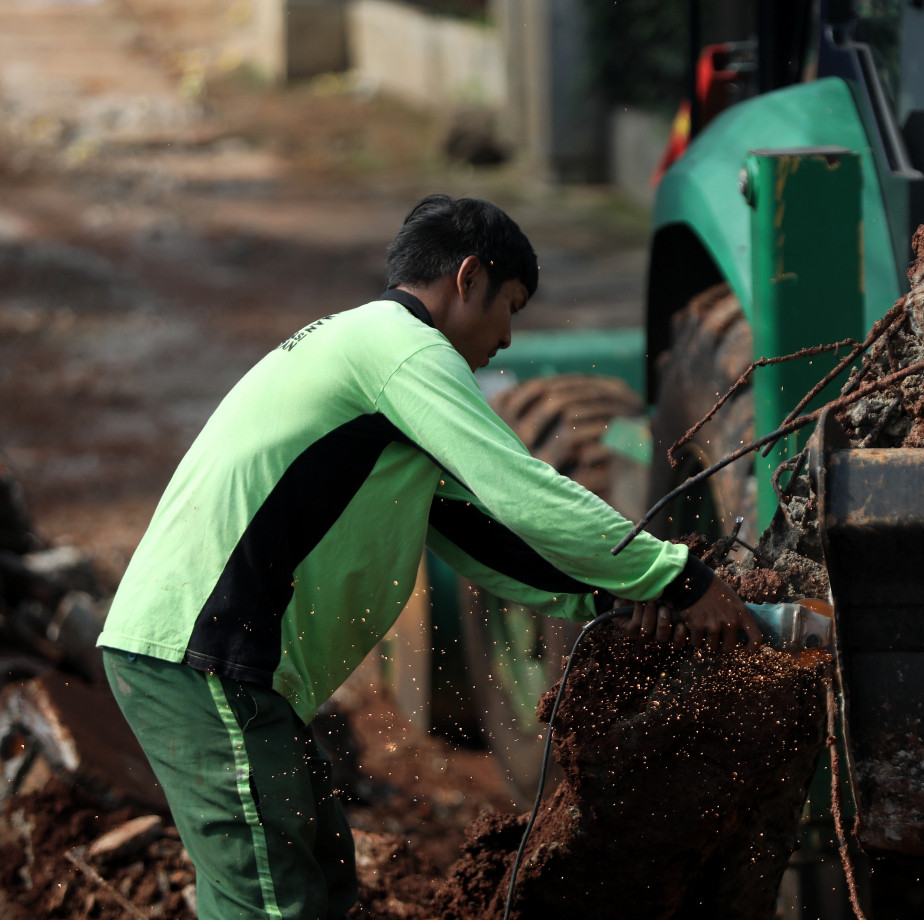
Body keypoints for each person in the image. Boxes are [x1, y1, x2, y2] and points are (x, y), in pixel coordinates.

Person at [96, 194, 762, 920]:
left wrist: (616, 601)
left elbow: (484, 535)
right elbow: (522, 489)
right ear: (468, 278)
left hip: (223, 666)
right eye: (511, 305)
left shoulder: (374, 363)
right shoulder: (405, 349)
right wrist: (679, 575)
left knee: (320, 874)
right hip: (201, 657)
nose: (507, 338)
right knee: (269, 900)